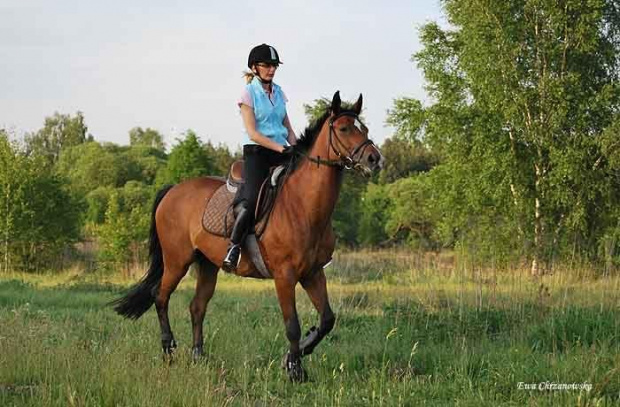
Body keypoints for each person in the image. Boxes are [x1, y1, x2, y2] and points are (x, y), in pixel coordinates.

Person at [222, 43, 297, 272]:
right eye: (267, 65)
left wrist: (297, 148)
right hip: (257, 152)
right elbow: (253, 132)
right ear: (254, 67)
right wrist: (280, 148)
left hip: (282, 151)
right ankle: (234, 248)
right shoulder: (248, 94)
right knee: (252, 198)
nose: (271, 70)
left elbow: (288, 128)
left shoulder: (279, 92)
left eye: (274, 66)